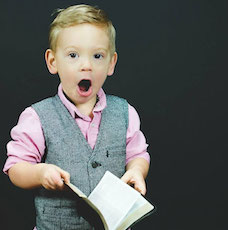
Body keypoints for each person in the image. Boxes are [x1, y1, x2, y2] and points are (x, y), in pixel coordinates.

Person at [3, 4, 150, 230]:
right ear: (53, 62)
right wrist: (40, 173)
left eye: (98, 56)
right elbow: (15, 168)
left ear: (111, 63)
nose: (86, 65)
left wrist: (136, 171)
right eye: (73, 55)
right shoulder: (37, 117)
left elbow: (138, 154)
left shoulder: (125, 113)